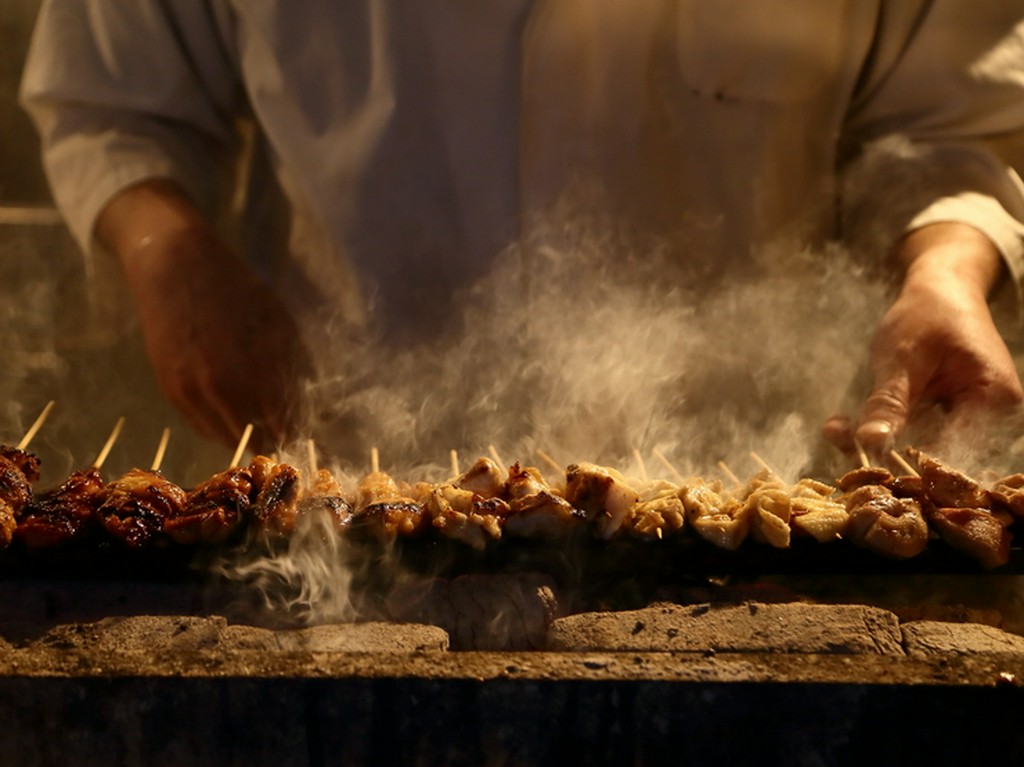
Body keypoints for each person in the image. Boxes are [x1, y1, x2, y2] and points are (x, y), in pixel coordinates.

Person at [18, 0, 1024, 455]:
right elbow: (116, 102)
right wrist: (171, 258)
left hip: (756, 486)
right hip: (352, 476)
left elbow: (950, 125)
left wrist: (944, 268)